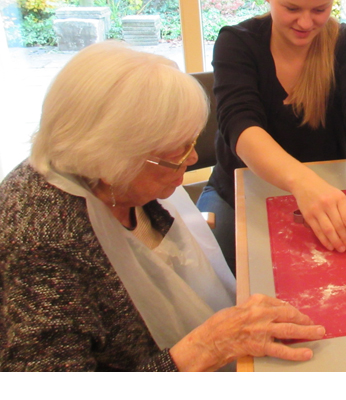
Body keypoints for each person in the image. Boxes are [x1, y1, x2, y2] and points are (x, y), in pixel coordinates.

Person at [0, 41, 324, 371]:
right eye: (177, 153)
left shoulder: (117, 181)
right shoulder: (42, 240)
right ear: (114, 158)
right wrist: (206, 347)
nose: (193, 158)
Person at [198, 0, 346, 266]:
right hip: (239, 195)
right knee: (220, 278)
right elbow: (241, 127)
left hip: (329, 194)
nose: (305, 23)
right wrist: (301, 181)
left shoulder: (345, 41)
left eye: (320, 9)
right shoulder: (237, 43)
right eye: (291, 8)